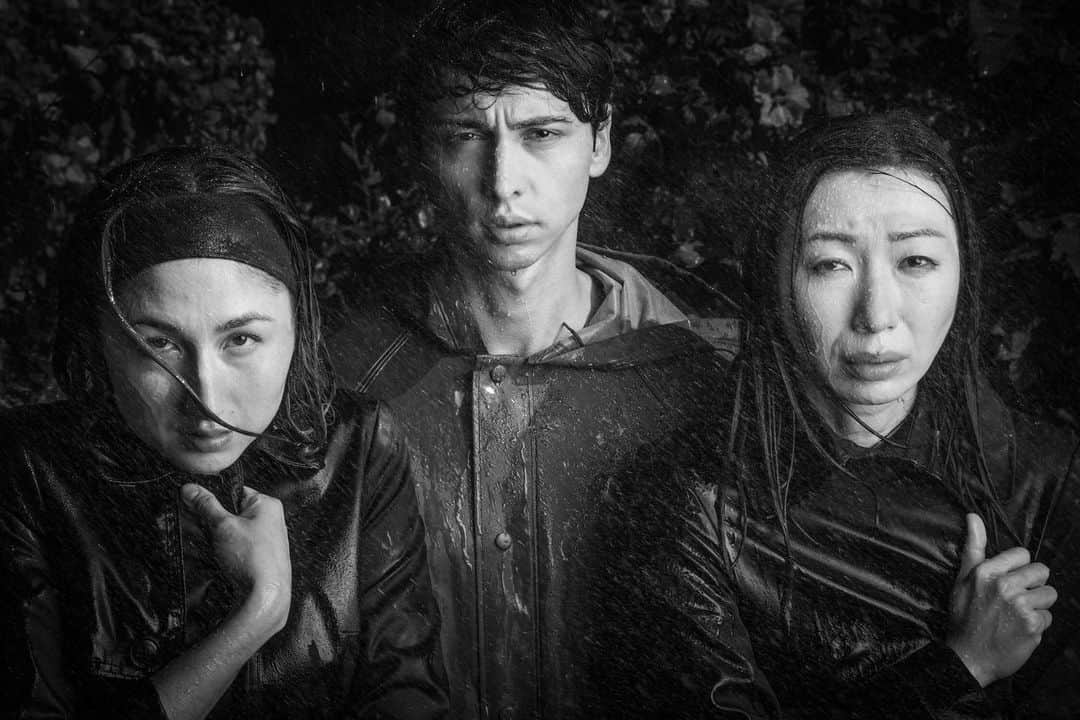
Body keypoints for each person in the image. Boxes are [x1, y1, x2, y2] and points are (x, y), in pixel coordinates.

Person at [326, 1, 739, 716]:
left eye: (541, 132)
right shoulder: (345, 372)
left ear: (600, 140)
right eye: (464, 134)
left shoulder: (690, 379)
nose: (503, 181)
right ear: (420, 151)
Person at [594, 111, 1080, 718]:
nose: (877, 315)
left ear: (964, 272)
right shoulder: (690, 500)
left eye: (917, 262)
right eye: (830, 265)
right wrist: (962, 666)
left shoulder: (1048, 480)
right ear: (776, 281)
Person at [0, 147, 448, 719]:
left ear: (297, 329)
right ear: (99, 342)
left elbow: (407, 696)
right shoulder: (32, 471)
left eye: (240, 340)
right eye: (157, 344)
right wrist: (257, 615)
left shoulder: (358, 447)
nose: (204, 400)